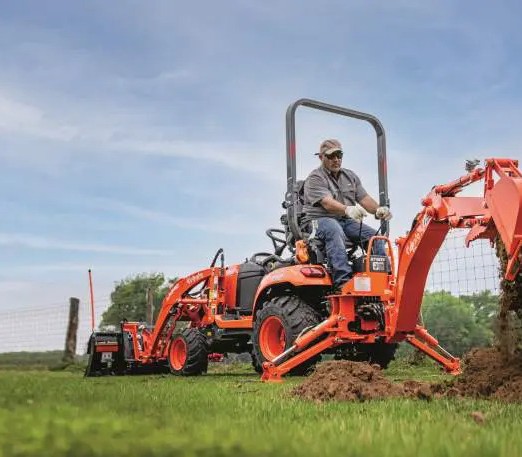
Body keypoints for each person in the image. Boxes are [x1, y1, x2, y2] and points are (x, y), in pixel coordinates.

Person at [303, 139, 392, 290]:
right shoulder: (315, 178)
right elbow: (327, 203)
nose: (336, 159)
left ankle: (384, 280)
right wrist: (348, 209)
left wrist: (378, 210)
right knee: (333, 229)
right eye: (331, 156)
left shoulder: (350, 176)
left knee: (375, 238)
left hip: (344, 221)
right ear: (321, 157)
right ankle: (343, 282)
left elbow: (364, 199)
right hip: (317, 221)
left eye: (339, 155)